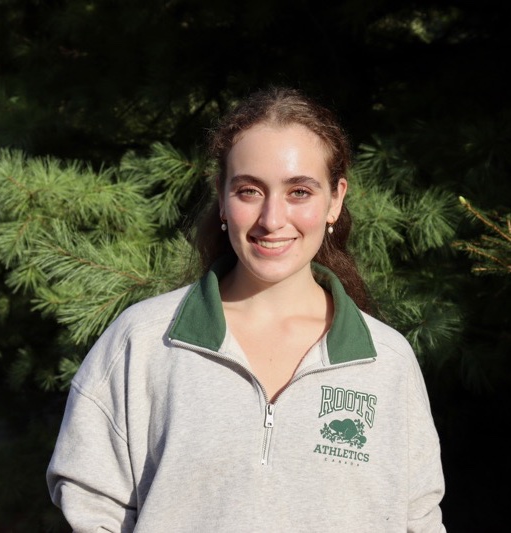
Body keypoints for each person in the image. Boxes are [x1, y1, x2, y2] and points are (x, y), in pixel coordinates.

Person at [47, 86, 446, 532]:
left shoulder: (386, 361)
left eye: (299, 191)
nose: (272, 219)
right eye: (250, 190)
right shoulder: (143, 342)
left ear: (335, 199)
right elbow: (91, 508)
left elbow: (419, 521)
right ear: (222, 197)